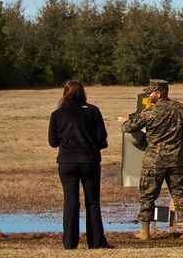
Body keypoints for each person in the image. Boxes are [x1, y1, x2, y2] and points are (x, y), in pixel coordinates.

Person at [121, 79, 183, 240]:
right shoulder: (180, 109)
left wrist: (126, 120)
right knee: (180, 194)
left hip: (154, 160)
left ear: (160, 93)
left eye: (151, 91)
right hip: (177, 159)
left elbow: (128, 128)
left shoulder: (150, 112)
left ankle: (144, 231)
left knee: (147, 194)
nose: (148, 94)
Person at [48, 80, 112, 250]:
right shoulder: (93, 111)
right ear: (83, 93)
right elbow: (102, 139)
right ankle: (96, 242)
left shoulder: (57, 114)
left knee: (70, 202)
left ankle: (69, 243)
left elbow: (53, 142)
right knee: (92, 202)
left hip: (67, 163)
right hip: (89, 161)